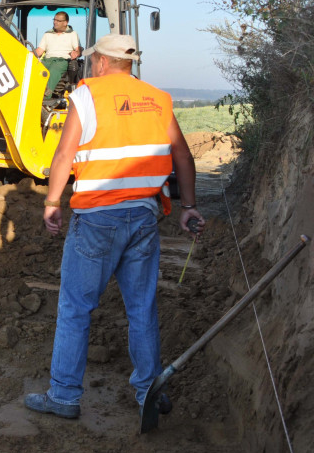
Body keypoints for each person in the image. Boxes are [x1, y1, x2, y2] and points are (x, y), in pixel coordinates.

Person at [24, 34, 205, 420]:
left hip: (96, 219)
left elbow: (63, 155)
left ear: (103, 62)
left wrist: (53, 202)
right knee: (142, 309)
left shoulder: (87, 96)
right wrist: (188, 207)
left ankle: (64, 396)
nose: (90, 66)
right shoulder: (157, 99)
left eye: (93, 61)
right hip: (142, 217)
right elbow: (184, 157)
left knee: (75, 308)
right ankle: (148, 394)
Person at [34, 13, 81, 99]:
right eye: (54, 20)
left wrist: (76, 53)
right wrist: (30, 54)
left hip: (62, 60)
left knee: (53, 71)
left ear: (65, 23)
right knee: (35, 70)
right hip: (47, 60)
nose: (55, 22)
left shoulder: (72, 34)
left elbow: (78, 49)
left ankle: (45, 98)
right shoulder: (47, 34)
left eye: (58, 21)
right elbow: (40, 50)